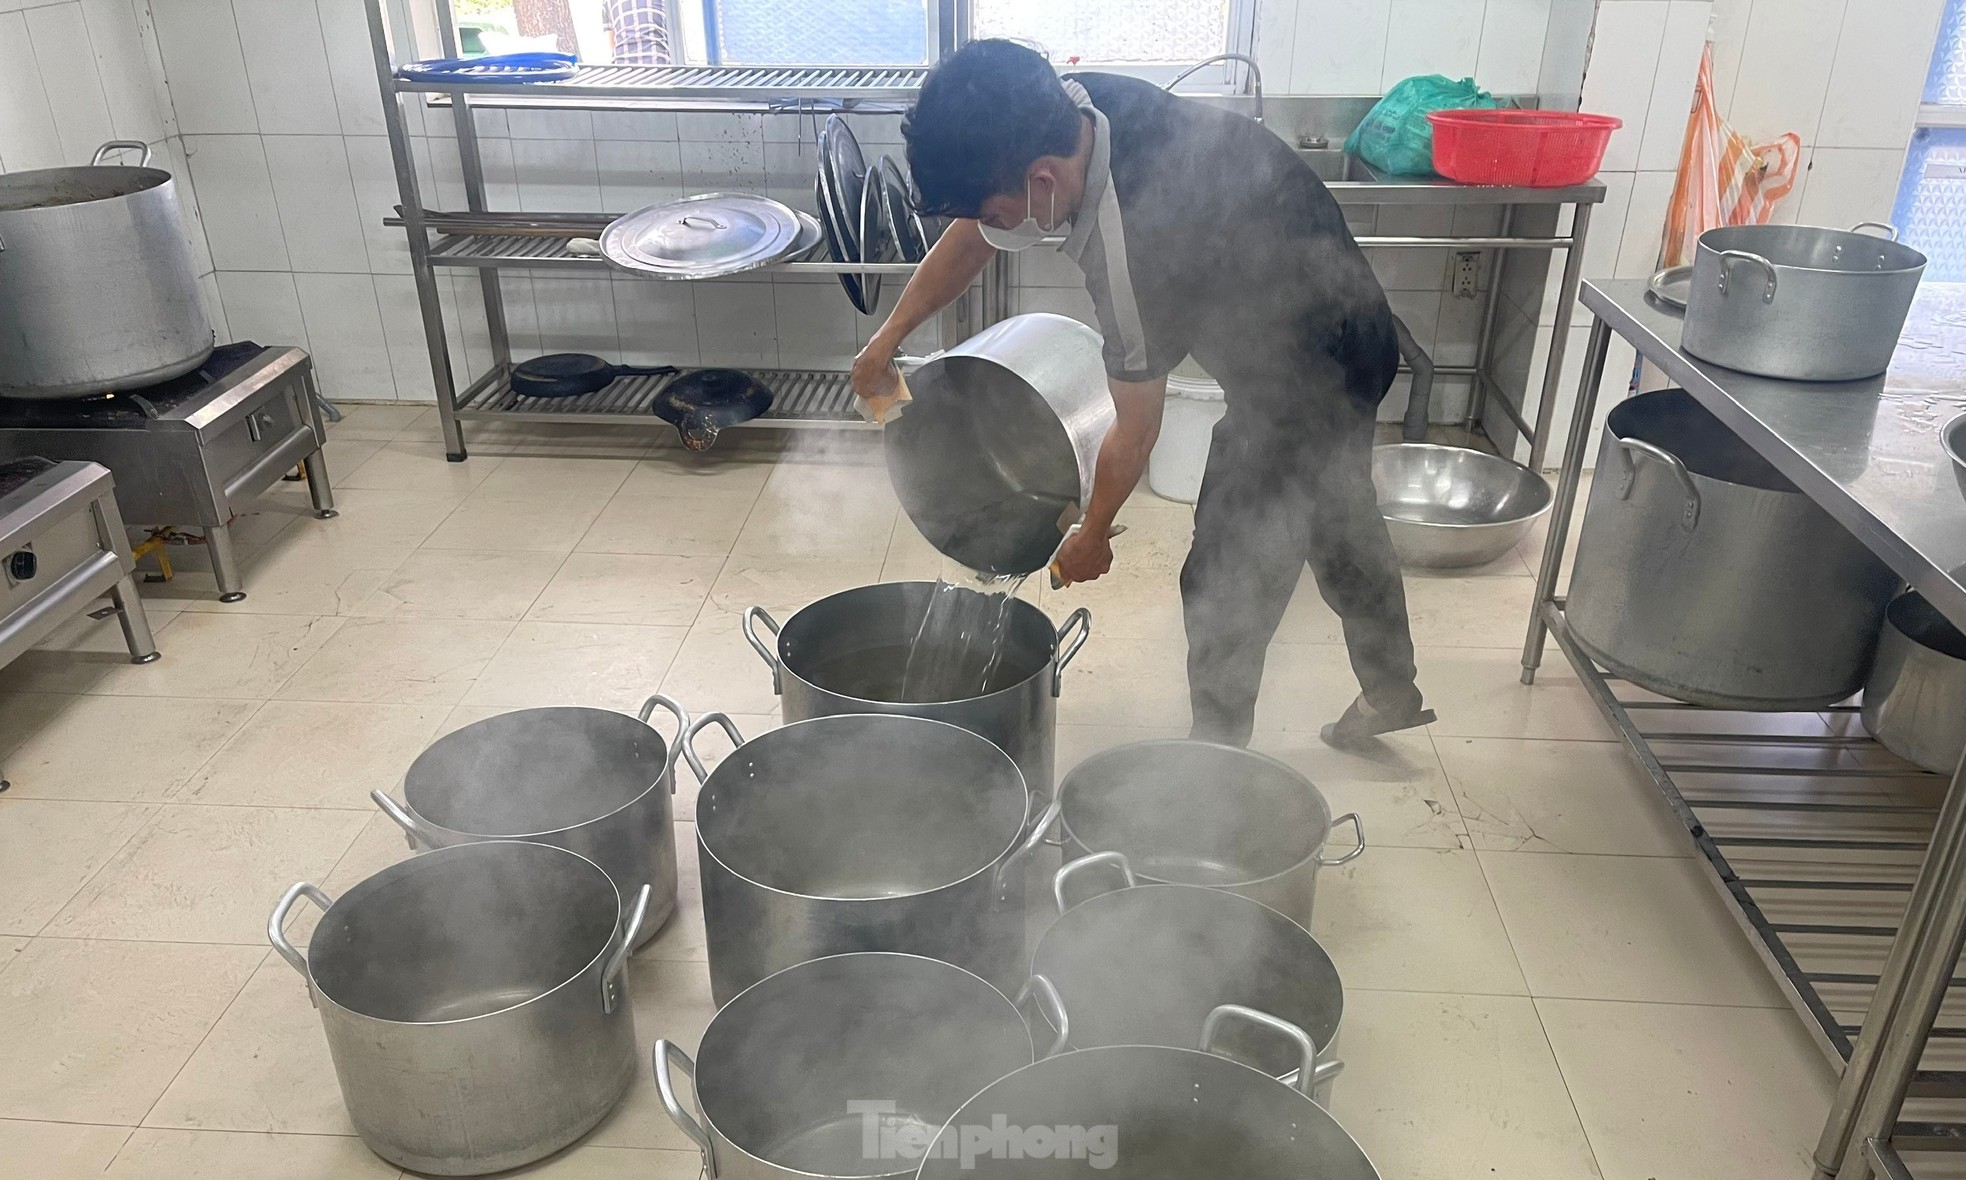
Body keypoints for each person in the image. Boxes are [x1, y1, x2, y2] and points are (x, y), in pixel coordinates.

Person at [850, 39, 1433, 749]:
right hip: (1338, 305)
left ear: (1040, 181)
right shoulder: (1065, 107)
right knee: (1339, 509)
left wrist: (1091, 535)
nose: (996, 229)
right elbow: (977, 231)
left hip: (1312, 362)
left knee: (1230, 567)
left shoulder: (1129, 244)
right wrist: (887, 341)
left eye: (1000, 214)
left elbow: (1135, 429)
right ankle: (1391, 688)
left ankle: (1214, 768)